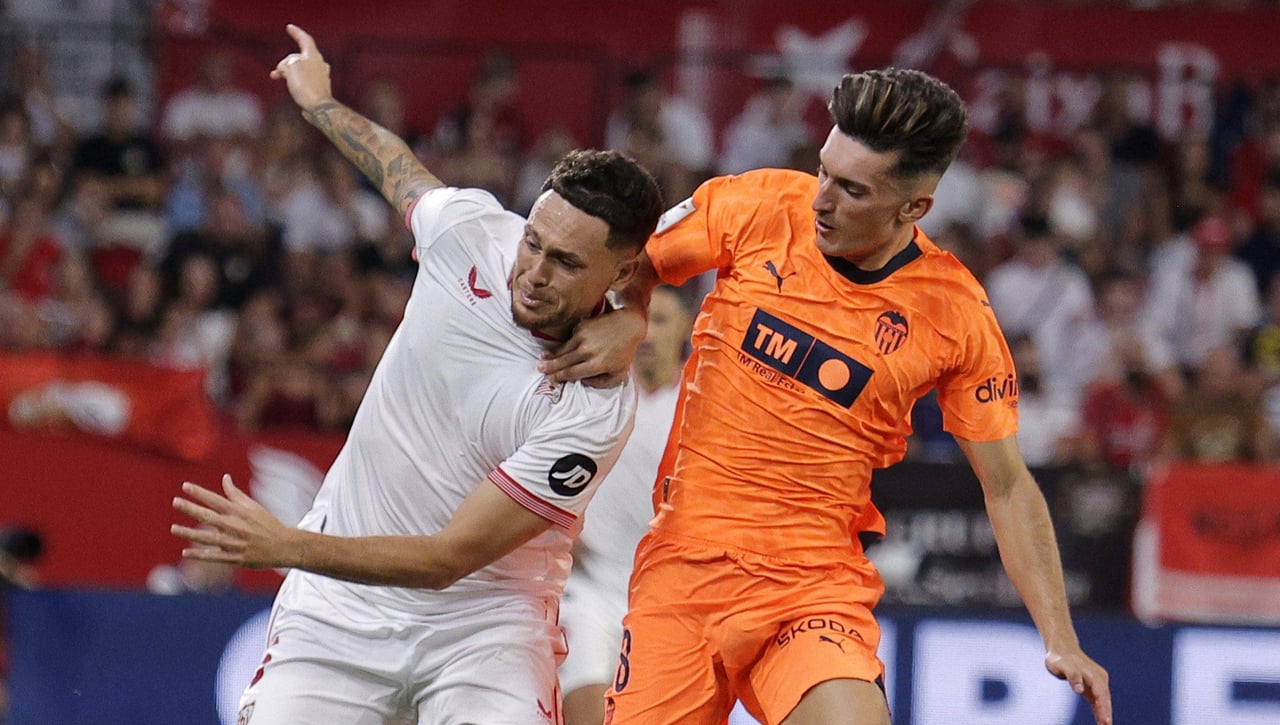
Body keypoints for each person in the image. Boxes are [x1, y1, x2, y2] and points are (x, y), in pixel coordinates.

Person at [541, 67, 1112, 724]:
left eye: (852, 189)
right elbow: (632, 264)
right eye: (823, 171)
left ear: (913, 208)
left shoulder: (955, 314)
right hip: (684, 569)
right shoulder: (758, 205)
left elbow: (1007, 486)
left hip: (810, 586)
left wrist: (1060, 636)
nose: (821, 199)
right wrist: (631, 315)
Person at [171, 24, 663, 724]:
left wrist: (285, 545)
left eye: (566, 263)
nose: (533, 271)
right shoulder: (471, 233)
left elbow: (446, 558)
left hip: (486, 628)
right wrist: (319, 103)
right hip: (339, 611)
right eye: (534, 242)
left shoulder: (595, 406)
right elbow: (394, 165)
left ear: (621, 272)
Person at [560, 284, 693, 725]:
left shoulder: (702, 407)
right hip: (591, 588)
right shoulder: (593, 395)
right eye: (643, 320)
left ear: (686, 327)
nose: (649, 334)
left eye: (662, 321)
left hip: (668, 601)